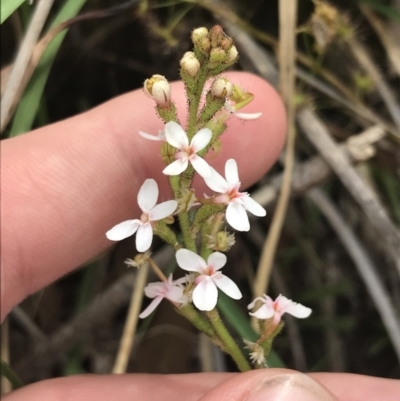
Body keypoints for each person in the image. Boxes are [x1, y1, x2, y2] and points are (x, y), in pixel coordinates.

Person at [1, 72, 398, 400]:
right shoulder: (174, 189)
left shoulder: (205, 185)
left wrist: (209, 205)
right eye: (182, 150)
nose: (186, 154)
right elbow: (181, 206)